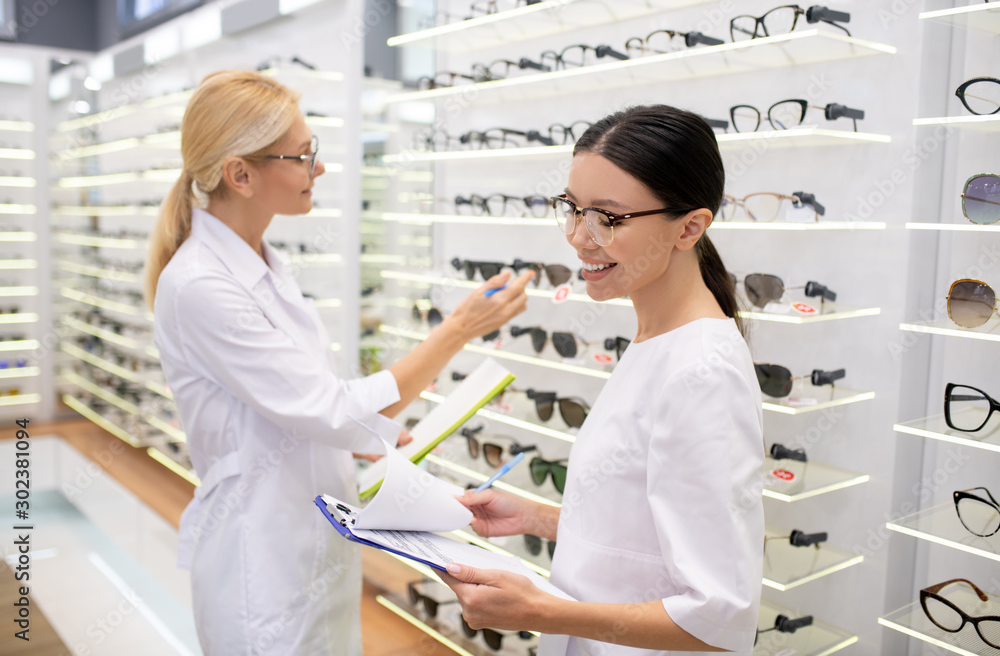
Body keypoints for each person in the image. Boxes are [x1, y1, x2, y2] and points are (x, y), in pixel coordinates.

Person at [145, 70, 534, 655]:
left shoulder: (263, 265)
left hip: (315, 541)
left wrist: (357, 436)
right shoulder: (201, 283)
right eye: (302, 156)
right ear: (241, 174)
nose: (317, 169)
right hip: (261, 560)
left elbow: (298, 406)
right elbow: (326, 408)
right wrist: (457, 330)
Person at [441, 105, 765, 655]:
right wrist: (542, 518)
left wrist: (538, 610)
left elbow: (719, 617)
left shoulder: (701, 371)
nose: (579, 239)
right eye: (572, 208)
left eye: (608, 219)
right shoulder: (656, 339)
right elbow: (651, 530)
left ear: (690, 226)